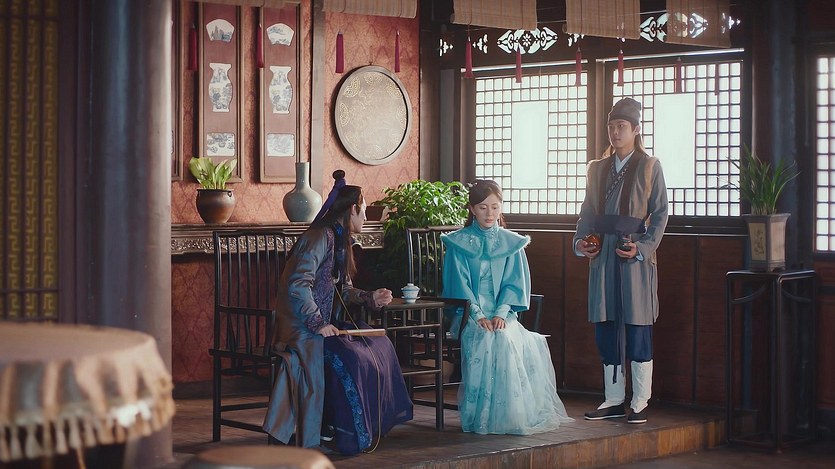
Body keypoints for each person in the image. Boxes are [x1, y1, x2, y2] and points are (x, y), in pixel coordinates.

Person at [263, 170, 413, 455]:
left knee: (379, 344)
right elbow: (297, 284)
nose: (365, 217)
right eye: (364, 211)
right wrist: (318, 323)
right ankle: (338, 431)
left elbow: (343, 290)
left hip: (326, 324)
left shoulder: (340, 240)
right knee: (352, 357)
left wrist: (370, 297)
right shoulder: (319, 237)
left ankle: (366, 428)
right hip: (301, 328)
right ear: (352, 209)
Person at [440, 179, 573, 435]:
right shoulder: (458, 243)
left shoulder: (512, 243)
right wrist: (478, 315)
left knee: (503, 336)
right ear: (471, 209)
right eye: (482, 207)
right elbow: (458, 285)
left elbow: (514, 283)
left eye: (494, 207)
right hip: (467, 313)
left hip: (504, 312)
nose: (489, 213)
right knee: (485, 337)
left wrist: (501, 313)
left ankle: (509, 415)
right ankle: (481, 416)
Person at [573, 97, 669, 424]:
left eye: (622, 126)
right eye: (611, 126)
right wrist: (580, 242)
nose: (615, 132)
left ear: (636, 129)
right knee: (606, 325)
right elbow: (587, 212)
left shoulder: (650, 166)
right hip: (603, 254)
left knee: (638, 325)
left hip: (634, 256)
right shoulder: (596, 168)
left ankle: (640, 401)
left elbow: (660, 213)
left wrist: (642, 248)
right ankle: (613, 399)